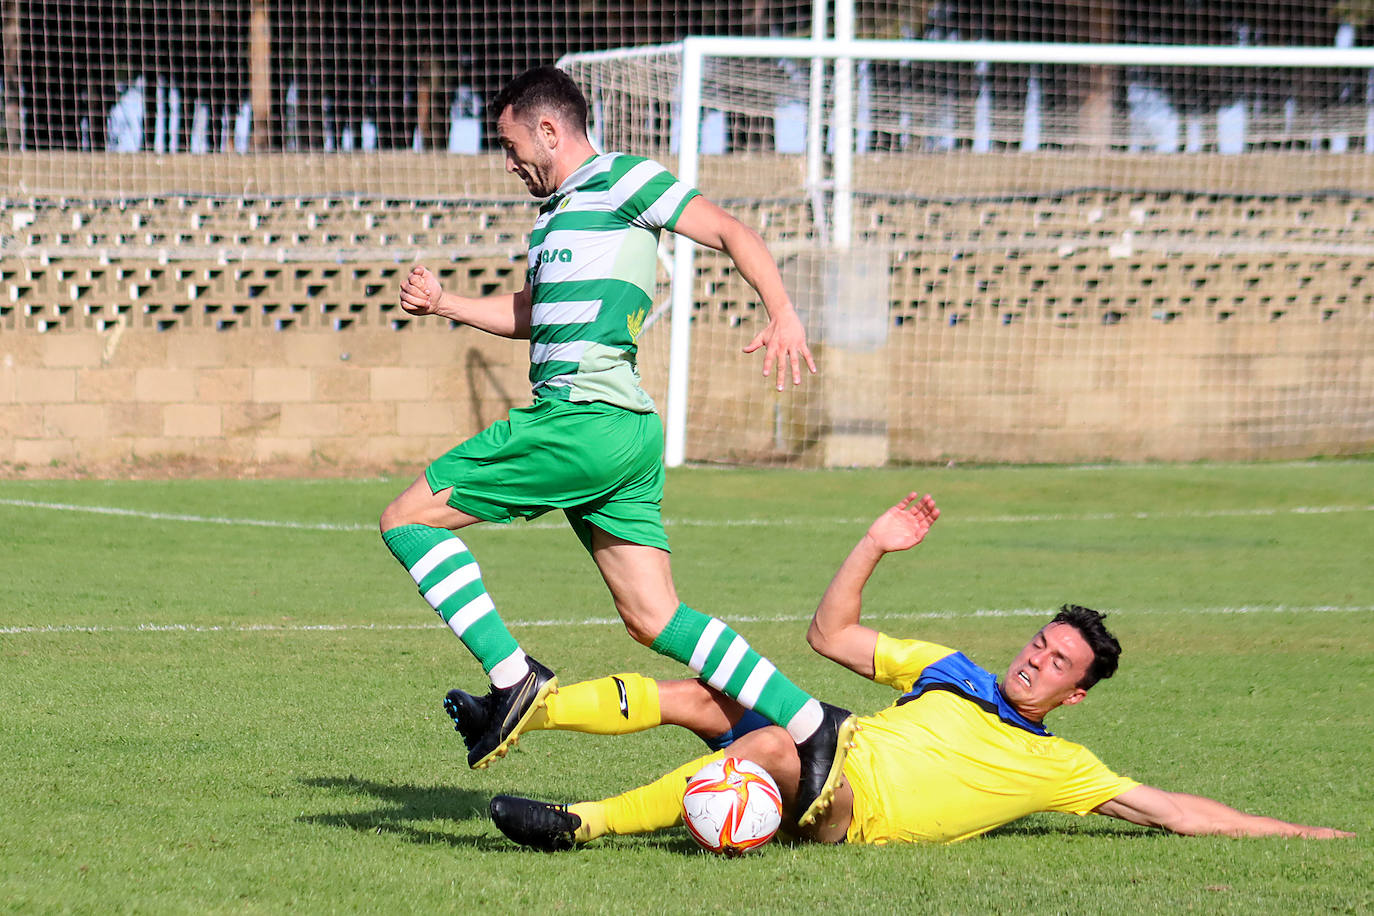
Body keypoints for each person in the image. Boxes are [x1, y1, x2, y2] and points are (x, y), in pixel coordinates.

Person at [379, 65, 850, 827]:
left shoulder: (625, 181)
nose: (507, 163)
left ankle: (512, 677)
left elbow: (730, 228)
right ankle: (809, 724)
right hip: (627, 433)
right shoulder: (553, 217)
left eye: (509, 144)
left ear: (549, 130)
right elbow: (535, 312)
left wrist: (784, 312)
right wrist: (446, 305)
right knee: (655, 616)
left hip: (580, 419)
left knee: (406, 518)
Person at [477, 493, 1354, 849]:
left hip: (851, 804)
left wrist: (1307, 838)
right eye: (1040, 643)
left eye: (1057, 664)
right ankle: (526, 712)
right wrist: (875, 543)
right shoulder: (953, 670)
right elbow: (831, 636)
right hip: (841, 737)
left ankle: (581, 824)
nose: (1035, 660)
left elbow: (1177, 812)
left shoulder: (1064, 769)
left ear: (1075, 696)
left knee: (778, 740)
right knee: (709, 695)